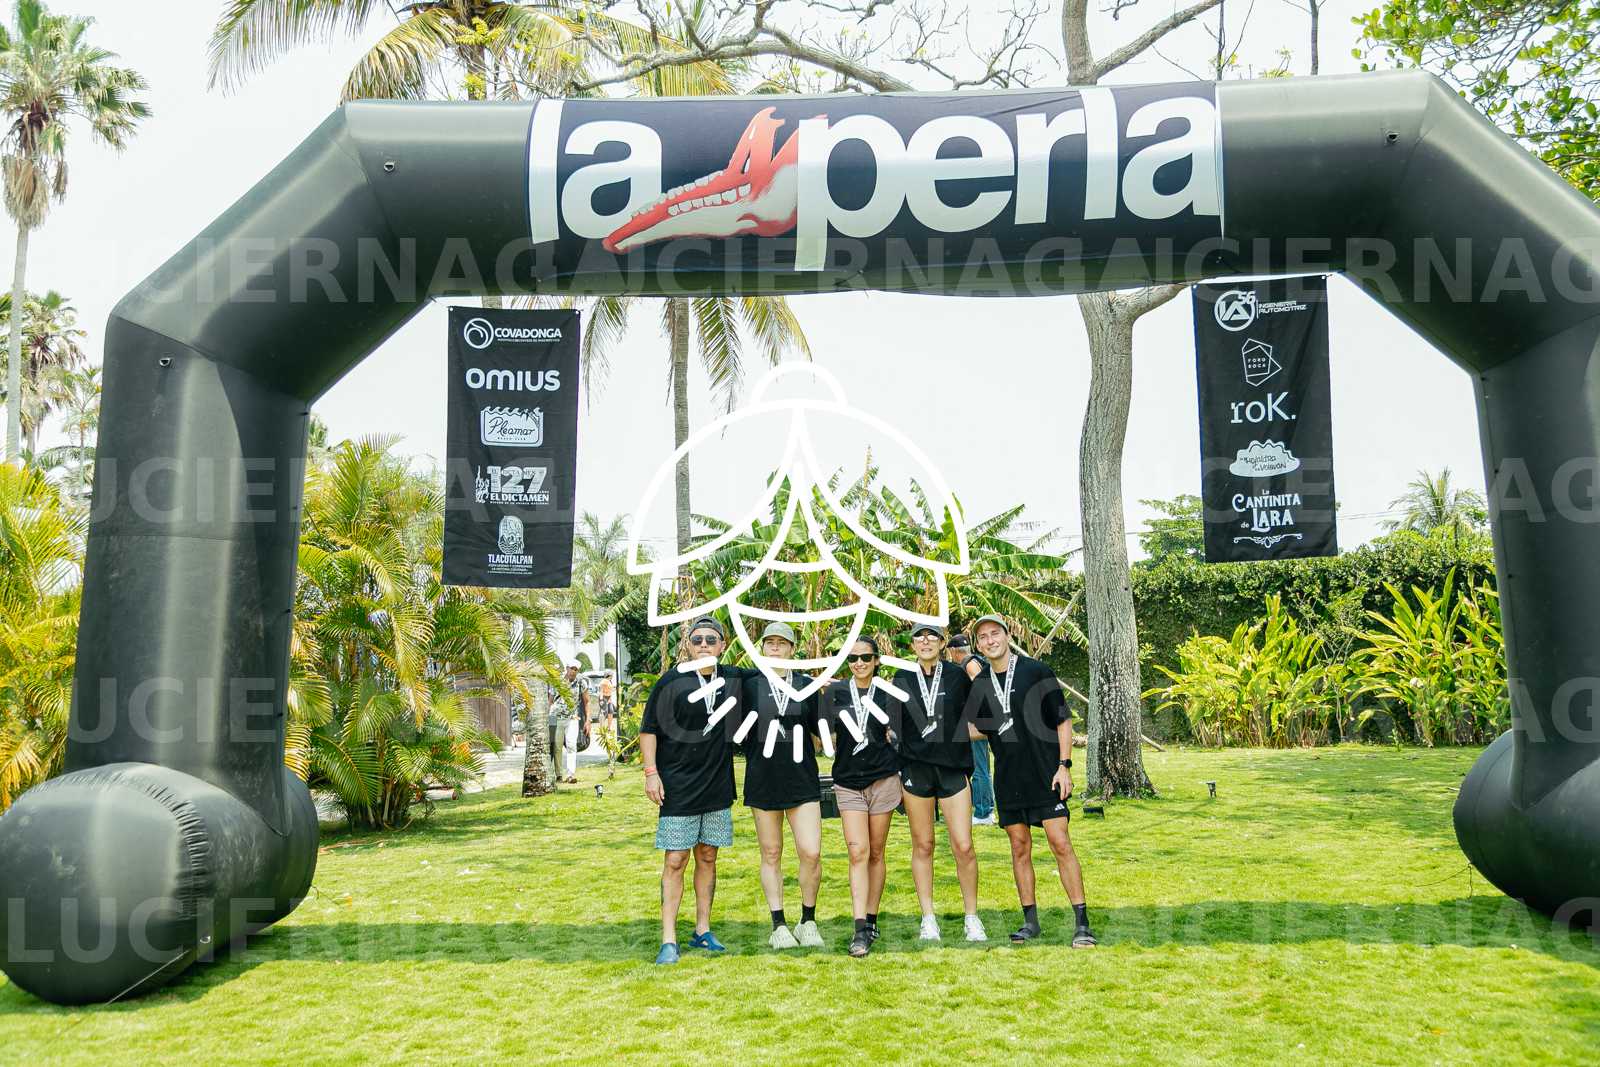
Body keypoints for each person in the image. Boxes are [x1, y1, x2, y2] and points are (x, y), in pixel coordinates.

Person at [969, 613, 1099, 947]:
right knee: (1019, 847)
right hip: (1009, 778)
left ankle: (1082, 923)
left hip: (1046, 773)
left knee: (1060, 842)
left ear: (1007, 635)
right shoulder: (980, 683)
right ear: (978, 645)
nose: (990, 640)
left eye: (994, 633)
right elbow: (980, 728)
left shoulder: (1036, 671)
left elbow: (1063, 721)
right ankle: (1030, 922)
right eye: (982, 637)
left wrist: (1064, 766)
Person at [639, 617, 745, 965]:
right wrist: (651, 773)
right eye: (697, 639)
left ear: (722, 645)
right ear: (687, 644)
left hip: (716, 785)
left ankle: (703, 930)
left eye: (711, 640)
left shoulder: (733, 679)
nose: (703, 645)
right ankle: (668, 939)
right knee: (675, 859)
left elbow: (775, 675)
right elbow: (649, 729)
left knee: (708, 856)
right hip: (678, 787)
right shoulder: (672, 681)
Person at [887, 623, 986, 943]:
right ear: (913, 645)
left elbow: (982, 721)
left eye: (932, 636)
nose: (926, 641)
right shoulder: (902, 677)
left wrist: (952, 736)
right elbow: (891, 729)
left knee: (963, 845)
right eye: (919, 636)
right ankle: (928, 918)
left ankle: (972, 917)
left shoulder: (957, 676)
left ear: (943, 643)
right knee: (923, 845)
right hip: (916, 771)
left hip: (953, 769)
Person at [739, 622, 825, 950]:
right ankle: (778, 925)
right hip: (763, 779)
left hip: (801, 778)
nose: (775, 647)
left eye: (782, 642)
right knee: (771, 852)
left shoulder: (806, 684)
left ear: (792, 649)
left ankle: (808, 920)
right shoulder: (749, 684)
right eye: (769, 642)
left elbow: (823, 730)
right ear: (761, 647)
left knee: (811, 852)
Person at [824, 636, 901, 958]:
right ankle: (859, 929)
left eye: (865, 658)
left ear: (876, 660)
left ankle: (871, 920)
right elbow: (824, 735)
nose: (859, 663)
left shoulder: (887, 692)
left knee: (876, 853)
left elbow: (898, 733)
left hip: (883, 779)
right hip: (848, 781)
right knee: (858, 851)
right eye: (853, 658)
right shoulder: (837, 693)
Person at [947, 634, 996, 826]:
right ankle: (984, 808)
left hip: (976, 723)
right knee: (980, 766)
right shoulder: (975, 661)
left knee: (979, 768)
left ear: (953, 650)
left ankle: (984, 813)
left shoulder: (969, 664)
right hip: (980, 722)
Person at [549, 662, 581, 785]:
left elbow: (586, 701)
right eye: (572, 668)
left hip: (572, 718)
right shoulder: (556, 682)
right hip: (556, 718)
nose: (573, 671)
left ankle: (570, 775)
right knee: (557, 747)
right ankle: (559, 774)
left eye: (576, 669)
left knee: (571, 745)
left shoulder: (580, 683)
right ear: (567, 668)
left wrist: (588, 720)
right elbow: (550, 701)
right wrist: (548, 718)